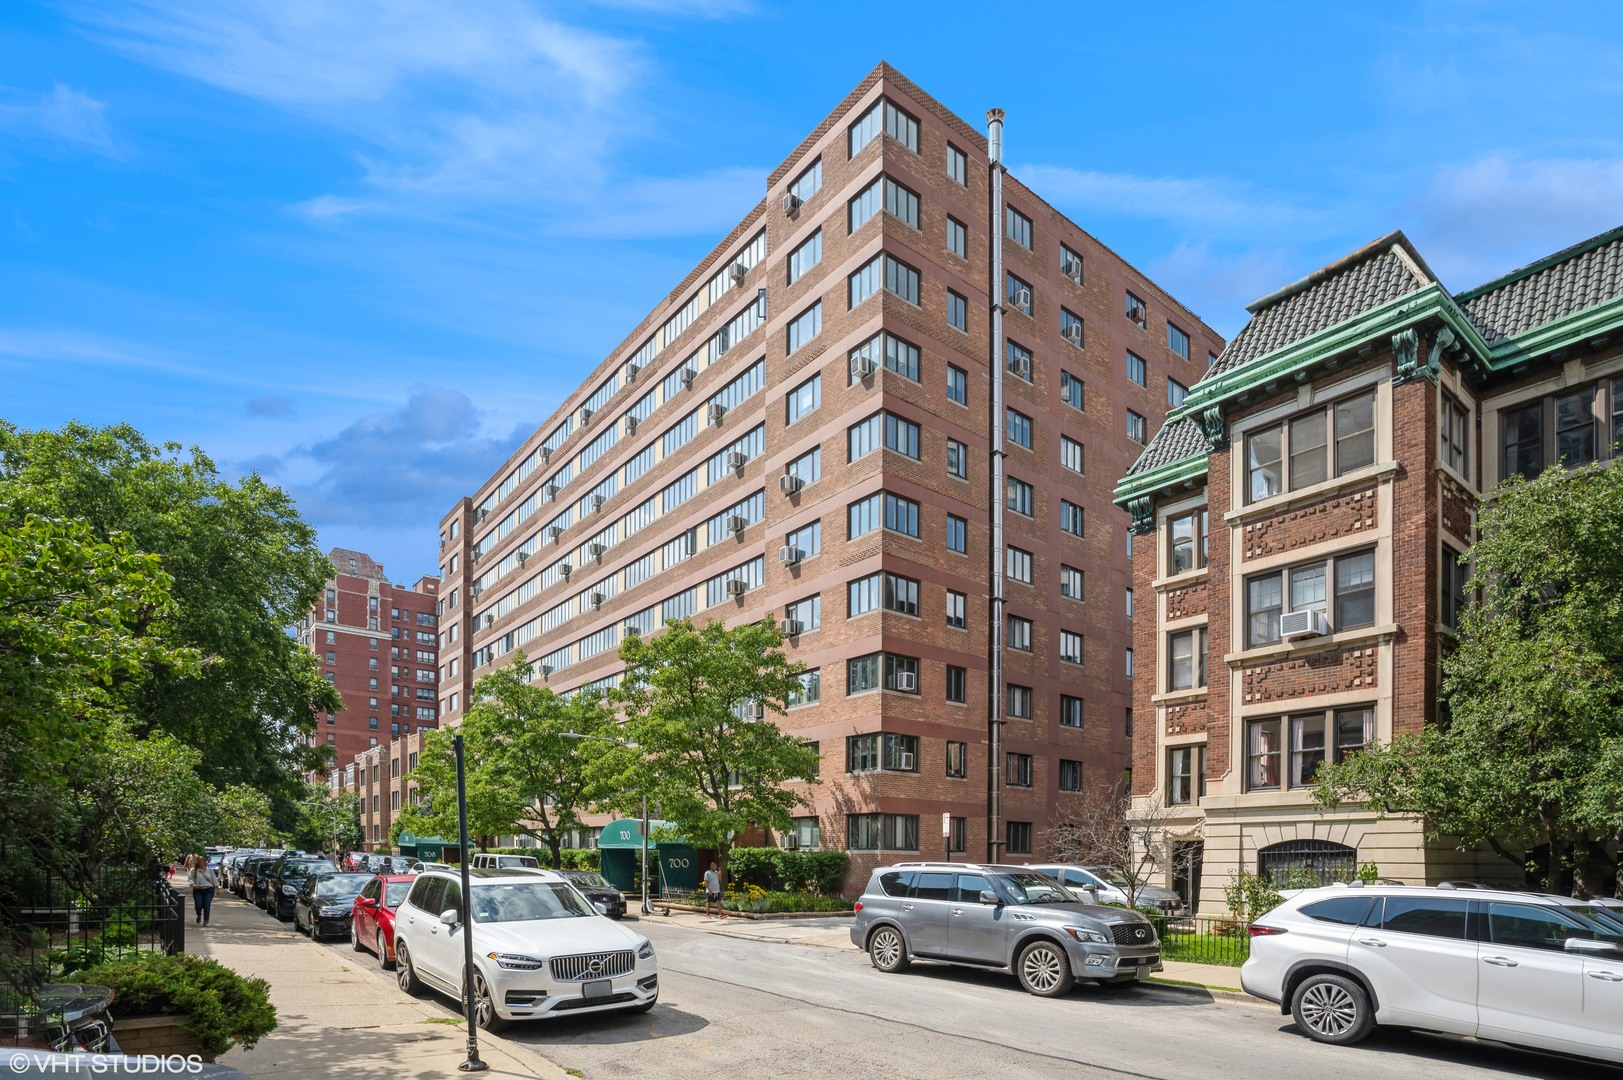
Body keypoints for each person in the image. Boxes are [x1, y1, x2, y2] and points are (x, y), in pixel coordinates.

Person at [189, 853, 219, 926]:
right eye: (199, 862)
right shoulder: (193, 870)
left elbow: (214, 880)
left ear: (205, 862)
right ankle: (199, 914)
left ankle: (206, 921)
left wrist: (217, 889)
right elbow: (190, 879)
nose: (201, 863)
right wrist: (193, 884)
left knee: (207, 905)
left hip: (209, 890)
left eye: (202, 861)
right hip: (198, 890)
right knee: (198, 905)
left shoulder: (210, 871)